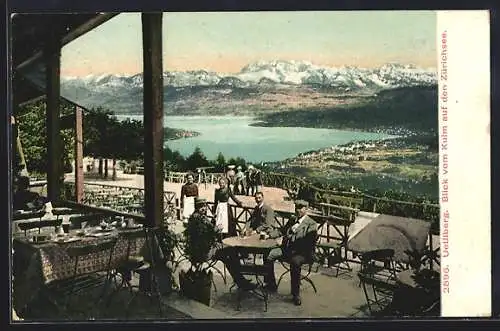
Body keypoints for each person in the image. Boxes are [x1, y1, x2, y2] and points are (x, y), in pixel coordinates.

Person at [190, 197, 257, 291]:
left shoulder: (196, 217)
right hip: (203, 252)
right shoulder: (200, 219)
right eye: (201, 207)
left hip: (201, 249)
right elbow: (207, 233)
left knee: (229, 254)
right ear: (197, 207)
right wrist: (217, 229)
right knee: (231, 253)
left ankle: (240, 279)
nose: (204, 208)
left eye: (205, 206)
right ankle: (241, 280)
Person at [264, 200, 318, 306]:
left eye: (301, 208)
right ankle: (271, 283)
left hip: (302, 253)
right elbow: (282, 231)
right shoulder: (292, 219)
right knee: (268, 254)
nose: (298, 210)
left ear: (306, 209)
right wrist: (269, 235)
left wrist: (289, 237)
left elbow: (308, 242)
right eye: (296, 207)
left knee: (295, 262)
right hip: (287, 250)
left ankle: (295, 294)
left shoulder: (311, 224)